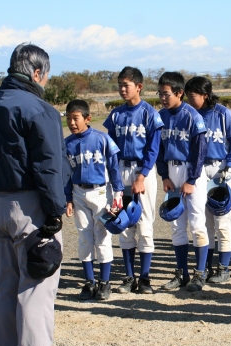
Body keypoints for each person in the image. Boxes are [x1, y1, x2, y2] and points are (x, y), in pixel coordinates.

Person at [0, 43, 69, 346]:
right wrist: (56, 210)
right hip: (31, 205)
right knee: (35, 288)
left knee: (3, 285)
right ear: (38, 73)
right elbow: (49, 166)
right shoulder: (38, 108)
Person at [103, 67, 163, 295]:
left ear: (139, 87)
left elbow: (153, 148)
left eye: (126, 85)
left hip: (142, 172)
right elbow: (111, 148)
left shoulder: (149, 114)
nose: (121, 89)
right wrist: (115, 178)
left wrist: (142, 176)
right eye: (119, 85)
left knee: (145, 224)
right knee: (123, 224)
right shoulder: (116, 115)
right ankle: (129, 277)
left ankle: (145, 278)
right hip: (121, 170)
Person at [156, 71, 210, 292]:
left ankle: (200, 272)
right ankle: (181, 273)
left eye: (166, 94)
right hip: (171, 170)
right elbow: (159, 149)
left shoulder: (192, 116)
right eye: (159, 93)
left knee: (197, 224)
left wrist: (192, 179)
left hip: (191, 171)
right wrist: (164, 176)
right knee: (177, 225)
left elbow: (200, 151)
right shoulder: (161, 116)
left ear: (179, 93)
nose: (162, 98)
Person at [64, 99, 123, 301]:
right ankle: (89, 282)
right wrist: (67, 198)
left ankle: (104, 282)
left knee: (103, 236)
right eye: (69, 118)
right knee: (84, 236)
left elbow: (114, 167)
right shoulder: (67, 144)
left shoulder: (101, 139)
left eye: (76, 118)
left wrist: (118, 192)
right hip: (78, 192)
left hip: (100, 192)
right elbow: (65, 174)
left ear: (87, 118)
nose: (72, 122)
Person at [184, 76, 231, 283]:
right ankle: (205, 269)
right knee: (203, 222)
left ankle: (223, 268)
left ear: (205, 95)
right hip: (198, 169)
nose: (189, 99)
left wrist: (230, 165)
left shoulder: (223, 113)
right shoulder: (189, 114)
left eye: (193, 95)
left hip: (220, 168)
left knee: (223, 221)